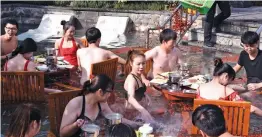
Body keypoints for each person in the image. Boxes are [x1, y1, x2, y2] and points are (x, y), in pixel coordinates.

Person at [60, 74, 141, 137]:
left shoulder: (102, 103)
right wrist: (75, 125)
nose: (110, 95)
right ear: (100, 92)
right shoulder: (76, 104)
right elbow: (62, 134)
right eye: (109, 92)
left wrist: (137, 125)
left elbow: (116, 119)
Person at [197, 58, 262, 116]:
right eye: (229, 81)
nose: (228, 83)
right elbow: (252, 109)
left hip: (201, 125)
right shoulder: (227, 91)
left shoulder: (200, 88)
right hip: (219, 127)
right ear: (226, 76)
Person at [124, 50, 154, 123]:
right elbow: (130, 97)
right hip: (131, 114)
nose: (141, 67)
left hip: (138, 111)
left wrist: (146, 96)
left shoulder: (139, 75)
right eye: (138, 64)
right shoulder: (132, 79)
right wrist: (142, 110)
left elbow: (139, 90)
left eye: (143, 63)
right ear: (131, 63)